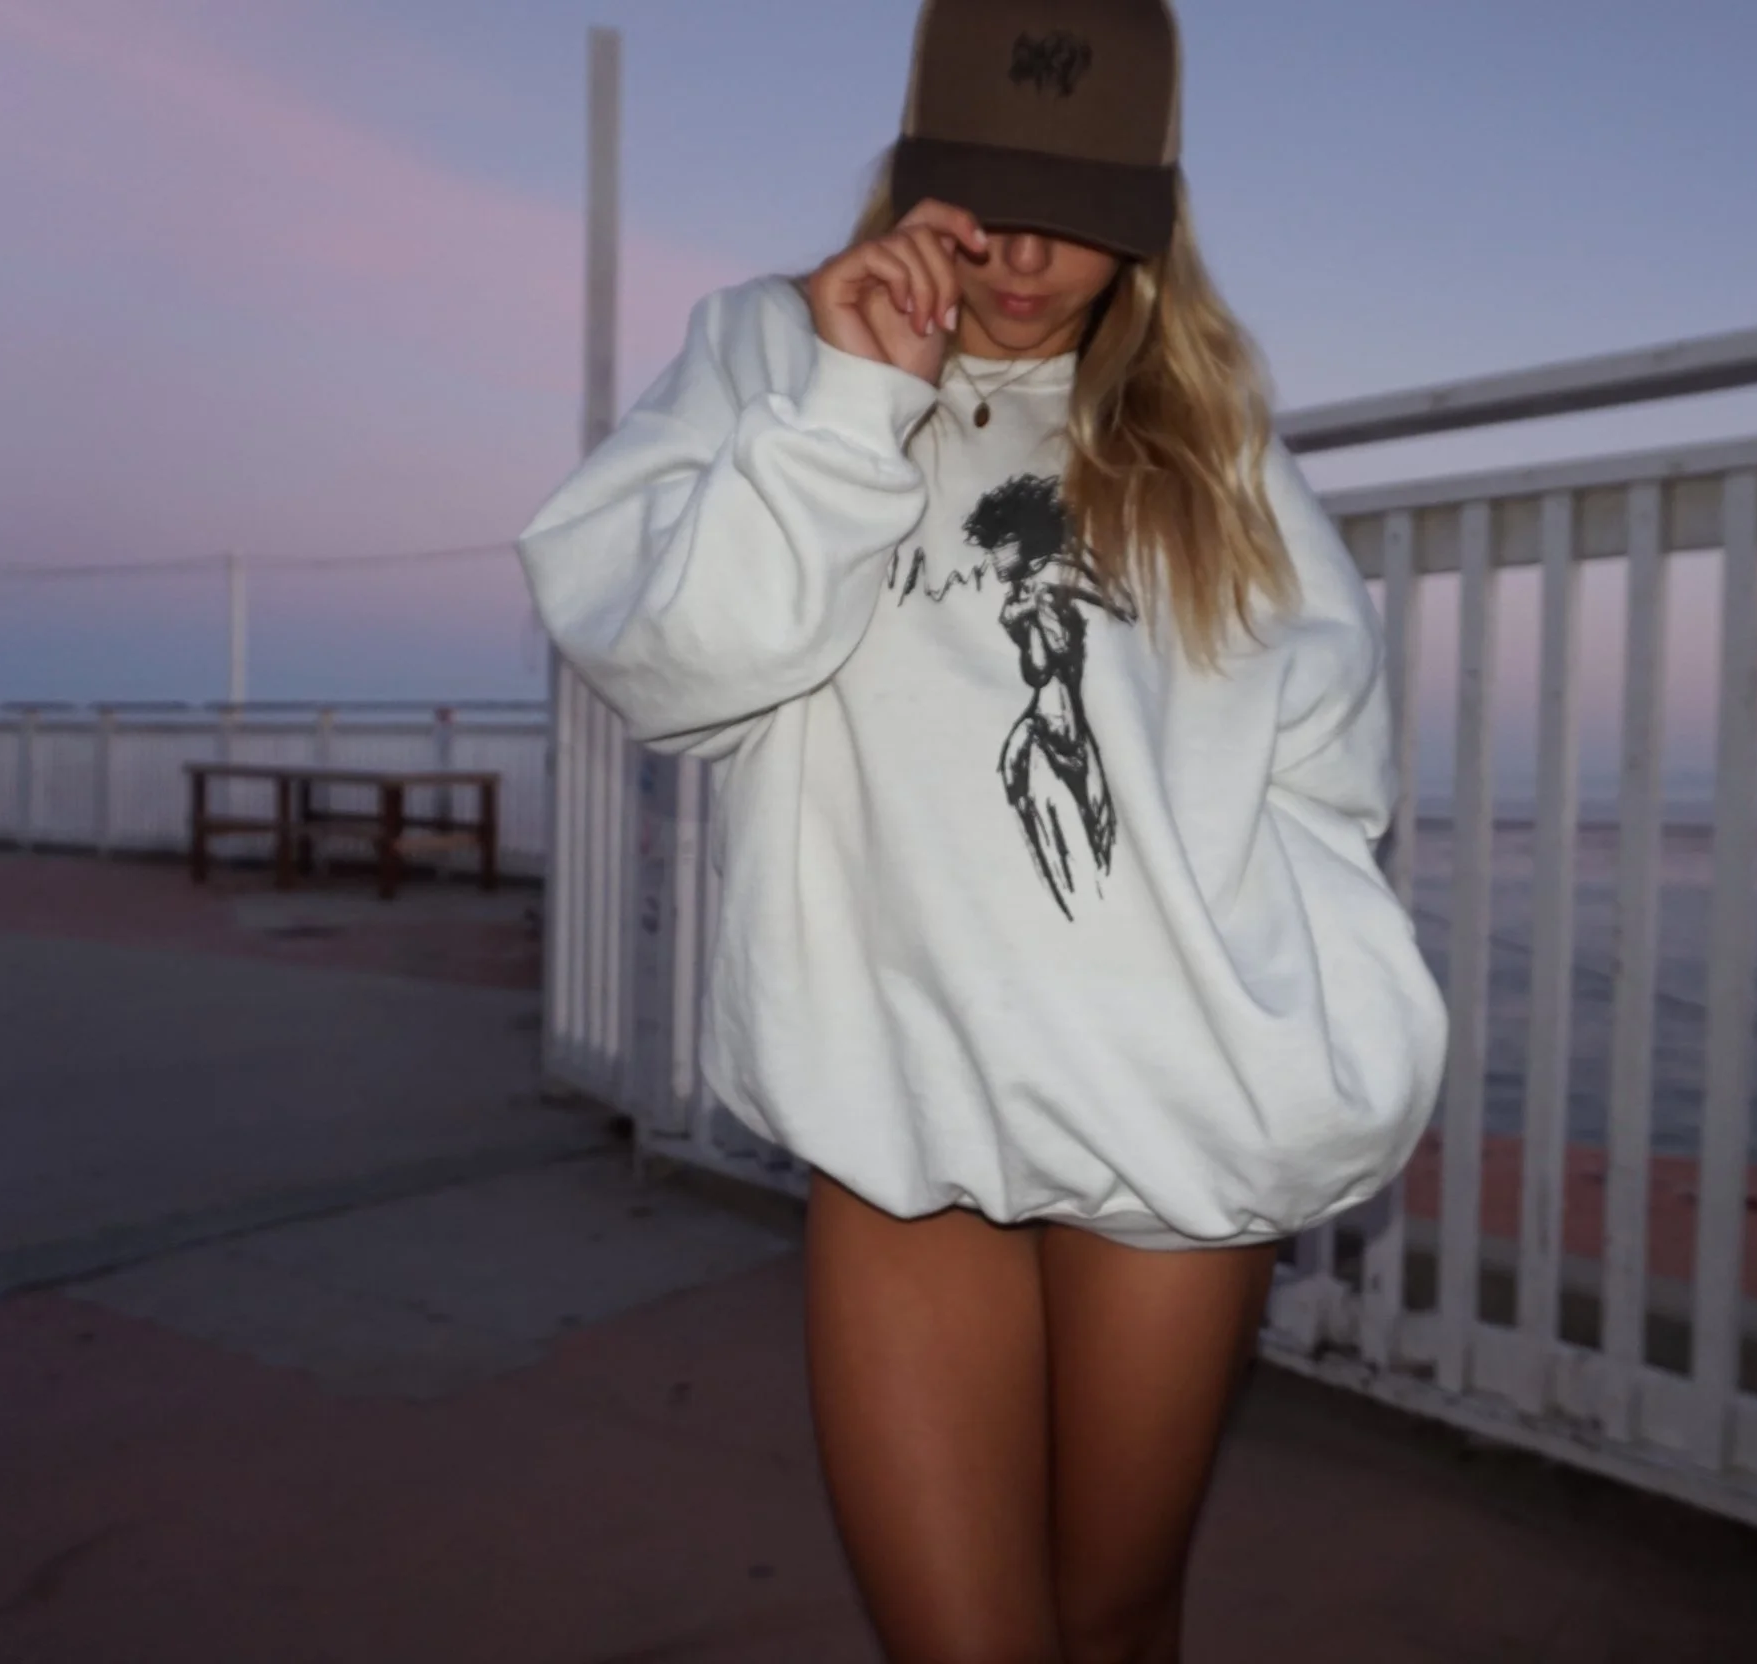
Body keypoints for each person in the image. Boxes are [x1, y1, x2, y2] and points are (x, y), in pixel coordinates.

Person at [517, 2, 1446, 1657]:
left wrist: (1315, 1019)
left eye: (1079, 211)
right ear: (911, 170)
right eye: (988, 198)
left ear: (1153, 212)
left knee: (1117, 1620)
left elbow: (1327, 767)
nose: (1024, 257)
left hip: (1171, 1112)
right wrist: (849, 405)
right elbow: (676, 671)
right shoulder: (775, 351)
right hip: (904, 1116)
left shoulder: (1207, 433)